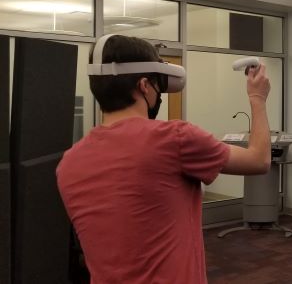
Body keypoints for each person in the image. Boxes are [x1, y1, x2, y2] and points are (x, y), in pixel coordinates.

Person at [56, 34, 272, 284]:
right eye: (158, 86)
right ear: (144, 86)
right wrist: (258, 98)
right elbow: (259, 160)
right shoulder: (175, 139)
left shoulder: (69, 163)